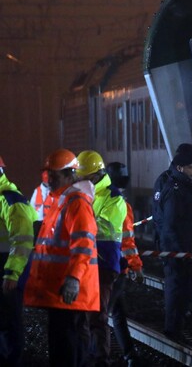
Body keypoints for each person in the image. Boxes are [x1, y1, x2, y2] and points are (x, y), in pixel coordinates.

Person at [24, 149, 99, 366]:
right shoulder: (61, 201)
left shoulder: (76, 203)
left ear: (69, 174)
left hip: (70, 292)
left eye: (54, 175)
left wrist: (74, 279)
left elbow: (84, 246)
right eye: (48, 175)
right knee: (62, 348)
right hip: (59, 292)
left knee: (69, 349)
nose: (49, 180)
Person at [155, 144, 192, 344]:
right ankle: (173, 331)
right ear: (180, 168)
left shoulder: (189, 182)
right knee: (180, 291)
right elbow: (170, 226)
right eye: (191, 166)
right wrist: (178, 254)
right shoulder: (174, 190)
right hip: (179, 251)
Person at [75, 150, 127, 366]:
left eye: (84, 178)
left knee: (98, 316)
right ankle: (87, 358)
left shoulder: (114, 198)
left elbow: (98, 227)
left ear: (96, 176)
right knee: (84, 316)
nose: (80, 182)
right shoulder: (88, 193)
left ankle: (100, 360)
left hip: (104, 263)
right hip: (87, 262)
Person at [105, 162, 145, 366]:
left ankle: (130, 355)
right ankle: (104, 357)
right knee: (105, 315)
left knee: (114, 311)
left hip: (95, 266)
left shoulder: (92, 199)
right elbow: (128, 241)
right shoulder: (122, 204)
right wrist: (135, 266)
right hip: (115, 268)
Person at [0, 177, 36, 367]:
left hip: (7, 269)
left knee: (8, 322)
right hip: (5, 266)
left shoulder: (11, 200)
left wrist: (12, 273)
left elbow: (22, 241)